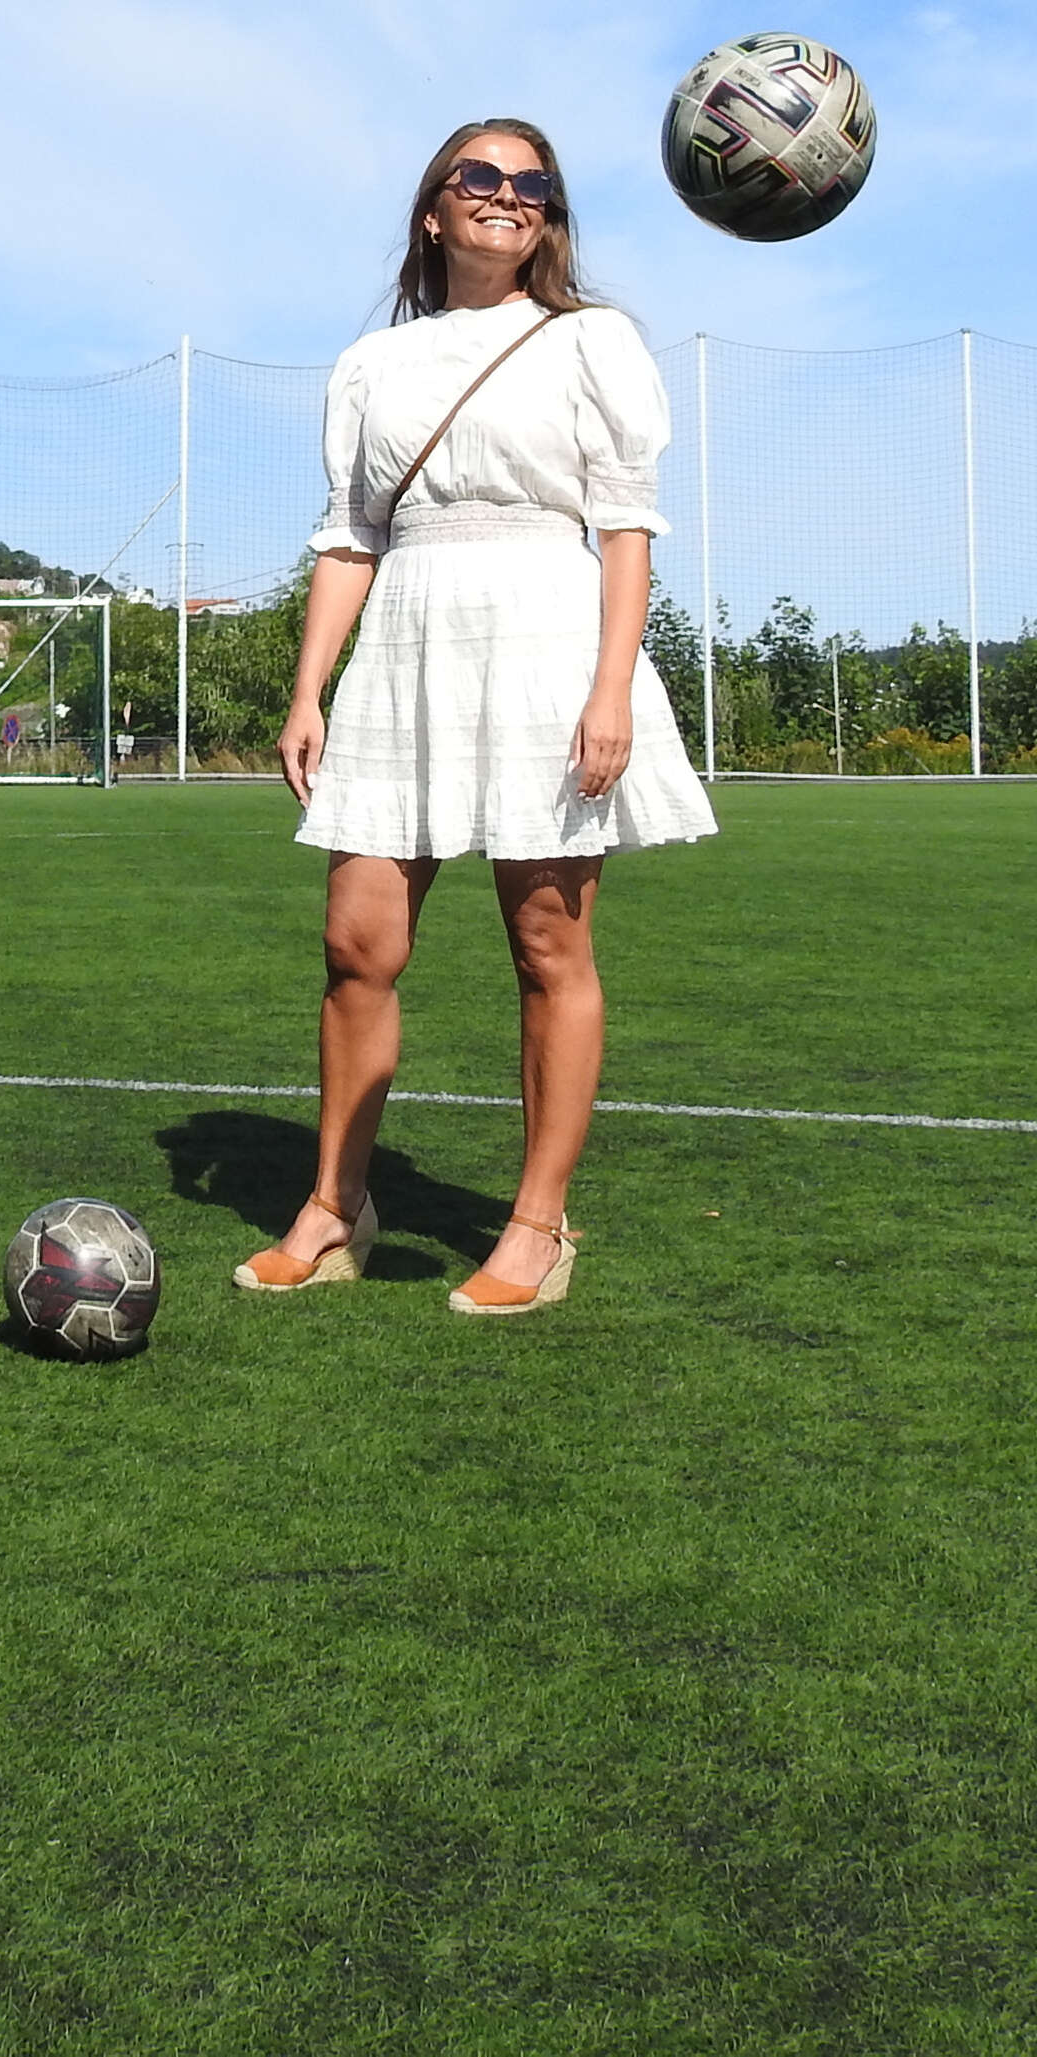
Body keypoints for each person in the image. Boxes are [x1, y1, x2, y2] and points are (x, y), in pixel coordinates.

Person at [245, 118, 716, 1316]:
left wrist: (611, 686)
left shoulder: (591, 340)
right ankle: (334, 1206)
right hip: (406, 646)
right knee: (357, 943)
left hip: (547, 643)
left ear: (549, 215)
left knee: (548, 944)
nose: (509, 195)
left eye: (533, 183)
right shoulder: (371, 365)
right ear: (433, 208)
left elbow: (626, 528)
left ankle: (536, 1226)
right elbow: (351, 537)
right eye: (481, 176)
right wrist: (307, 690)